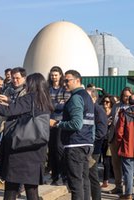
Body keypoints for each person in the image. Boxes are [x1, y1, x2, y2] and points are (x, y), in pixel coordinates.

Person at [0, 73, 52, 200]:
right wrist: (11, 101)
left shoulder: (29, 98)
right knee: (32, 190)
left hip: (20, 150)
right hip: (36, 150)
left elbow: (7, 111)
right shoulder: (44, 100)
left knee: (11, 189)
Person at [50, 70, 95, 200]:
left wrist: (57, 123)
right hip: (85, 143)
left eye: (67, 80)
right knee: (84, 180)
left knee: (75, 183)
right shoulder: (87, 97)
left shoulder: (76, 98)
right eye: (64, 80)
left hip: (75, 144)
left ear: (77, 81)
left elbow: (76, 124)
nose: (64, 83)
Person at [106, 87, 133, 194]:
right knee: (115, 163)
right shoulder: (116, 106)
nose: (126, 98)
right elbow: (112, 118)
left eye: (128, 96)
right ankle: (118, 186)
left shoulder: (133, 108)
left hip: (127, 140)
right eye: (124, 96)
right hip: (114, 138)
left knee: (127, 165)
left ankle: (128, 189)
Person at [87, 86, 108, 200]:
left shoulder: (98, 110)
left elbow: (101, 132)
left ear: (94, 98)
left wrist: (89, 139)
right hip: (87, 147)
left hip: (94, 148)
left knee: (92, 175)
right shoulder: (88, 109)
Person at [100, 95, 115, 188]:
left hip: (109, 140)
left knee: (107, 161)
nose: (105, 103)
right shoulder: (100, 112)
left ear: (111, 104)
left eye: (107, 102)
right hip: (100, 138)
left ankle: (106, 180)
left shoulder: (113, 114)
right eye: (104, 102)